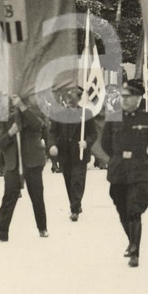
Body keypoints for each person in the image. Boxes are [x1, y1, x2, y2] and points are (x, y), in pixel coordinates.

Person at [102, 79, 148, 267]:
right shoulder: (113, 118)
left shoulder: (147, 119)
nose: (124, 100)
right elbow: (105, 144)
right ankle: (132, 240)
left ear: (137, 98)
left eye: (128, 96)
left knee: (134, 209)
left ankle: (135, 249)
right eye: (123, 96)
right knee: (121, 208)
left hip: (139, 170)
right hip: (118, 170)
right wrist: (117, 157)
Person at [0, 93, 50, 240]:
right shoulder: (6, 117)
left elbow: (38, 125)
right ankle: (2, 231)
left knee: (36, 195)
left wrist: (22, 108)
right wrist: (11, 133)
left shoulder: (35, 112)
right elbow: (0, 143)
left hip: (32, 161)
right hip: (13, 162)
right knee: (9, 196)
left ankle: (42, 227)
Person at [48, 85, 98, 222]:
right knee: (69, 181)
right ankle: (76, 203)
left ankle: (74, 209)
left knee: (77, 181)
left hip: (79, 153)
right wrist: (52, 145)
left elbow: (93, 133)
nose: (69, 100)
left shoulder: (86, 114)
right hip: (64, 154)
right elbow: (52, 132)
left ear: (78, 99)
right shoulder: (59, 114)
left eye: (73, 98)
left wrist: (86, 142)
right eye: (68, 98)